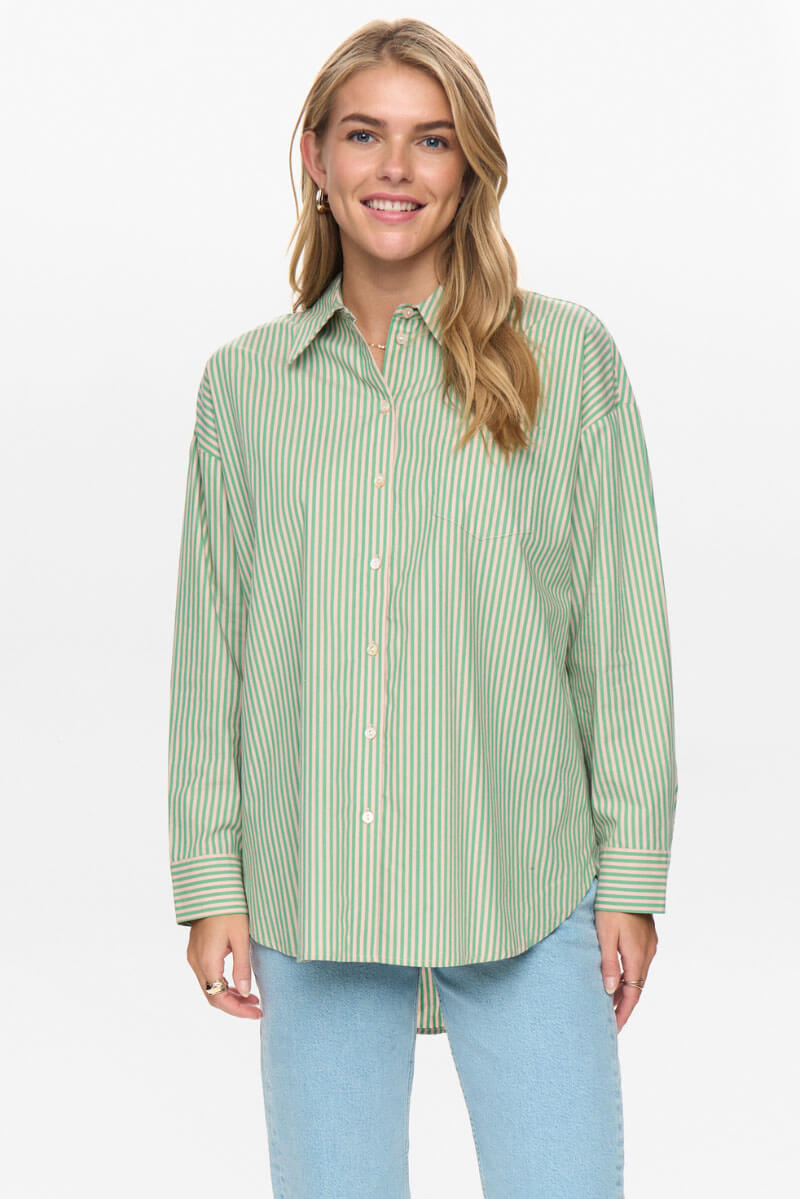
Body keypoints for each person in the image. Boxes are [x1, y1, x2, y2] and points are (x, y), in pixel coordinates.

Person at [167, 17, 678, 1198]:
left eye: (430, 139)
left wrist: (631, 876)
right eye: (364, 135)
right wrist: (210, 880)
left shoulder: (567, 360)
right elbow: (211, 650)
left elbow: (621, 637)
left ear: (468, 168)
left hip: (526, 873)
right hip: (311, 884)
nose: (394, 167)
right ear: (315, 158)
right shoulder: (244, 388)